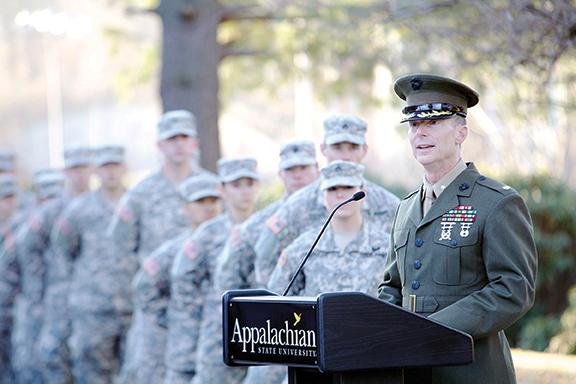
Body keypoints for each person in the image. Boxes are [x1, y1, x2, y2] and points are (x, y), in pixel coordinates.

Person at [377, 73, 538, 384]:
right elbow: (392, 287)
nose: (420, 133)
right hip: (408, 370)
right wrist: (381, 334)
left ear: (461, 132)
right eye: (414, 125)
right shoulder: (405, 207)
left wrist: (434, 329)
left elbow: (513, 289)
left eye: (433, 123)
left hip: (470, 370)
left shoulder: (496, 202)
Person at [108, 110, 205, 384]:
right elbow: (120, 249)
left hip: (198, 305)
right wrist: (133, 299)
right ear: (159, 145)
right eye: (171, 139)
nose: (178, 144)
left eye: (184, 137)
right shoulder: (141, 193)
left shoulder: (209, 188)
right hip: (155, 307)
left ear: (194, 143)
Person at [254, 115, 399, 288]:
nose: (345, 156)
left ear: (365, 150)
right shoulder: (298, 205)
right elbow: (266, 256)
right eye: (337, 147)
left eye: (353, 147)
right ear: (323, 149)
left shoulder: (389, 205)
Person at [169, 157, 261, 384]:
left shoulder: (266, 226)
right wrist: (207, 313)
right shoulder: (208, 233)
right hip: (217, 336)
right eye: (236, 185)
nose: (244, 192)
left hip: (262, 332)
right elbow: (183, 279)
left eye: (249, 184)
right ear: (222, 190)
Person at [49, 145, 131, 383]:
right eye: (105, 166)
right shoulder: (80, 209)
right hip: (92, 309)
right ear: (96, 171)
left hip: (130, 306)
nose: (111, 172)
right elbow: (63, 249)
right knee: (93, 374)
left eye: (115, 165)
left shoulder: (135, 203)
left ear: (124, 167)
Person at [132, 172, 223, 384]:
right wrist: (171, 317)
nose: (209, 208)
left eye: (213, 201)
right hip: (185, 352)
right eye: (200, 201)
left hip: (222, 352)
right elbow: (143, 286)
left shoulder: (233, 243)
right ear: (185, 208)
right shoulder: (173, 250)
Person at [0, 168, 66, 383]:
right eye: (47, 197)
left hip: (67, 315)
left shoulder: (74, 224)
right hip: (31, 316)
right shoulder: (22, 230)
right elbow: (7, 276)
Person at [37, 145, 93, 384]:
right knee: (56, 358)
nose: (79, 175)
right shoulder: (52, 211)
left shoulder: (100, 204)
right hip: (60, 296)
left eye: (83, 168)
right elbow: (29, 250)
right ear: (65, 172)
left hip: (93, 298)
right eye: (73, 169)